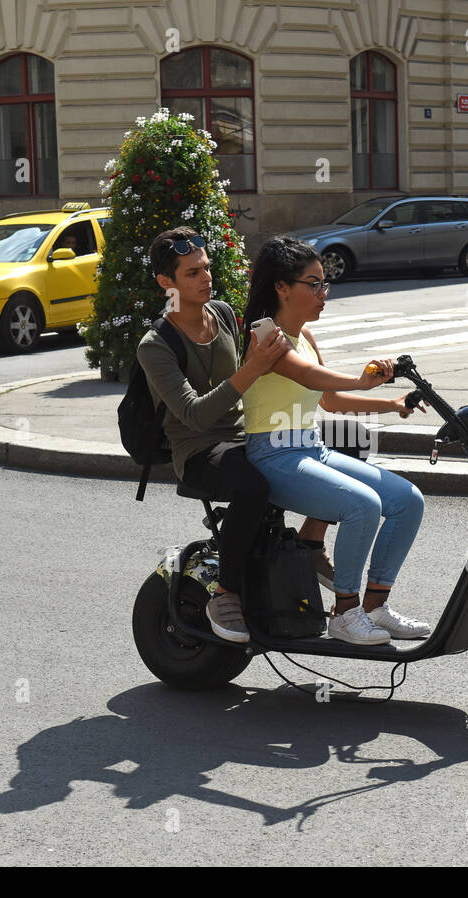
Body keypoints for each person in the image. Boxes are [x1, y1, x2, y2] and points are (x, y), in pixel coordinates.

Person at [136, 226, 323, 644]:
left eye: (206, 268)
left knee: (345, 442)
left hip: (246, 435)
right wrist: (253, 367)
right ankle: (226, 594)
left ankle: (311, 544)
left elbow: (257, 372)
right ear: (166, 283)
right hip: (199, 451)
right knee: (253, 487)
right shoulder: (156, 344)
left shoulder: (220, 312)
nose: (206, 277)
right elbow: (195, 416)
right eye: (191, 273)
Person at [242, 237, 429, 647]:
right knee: (362, 505)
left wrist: (390, 403)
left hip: (310, 448)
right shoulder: (264, 334)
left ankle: (376, 606)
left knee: (408, 500)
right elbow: (307, 377)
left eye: (324, 284)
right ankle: (345, 613)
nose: (322, 294)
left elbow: (328, 399)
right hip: (271, 453)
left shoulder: (305, 336)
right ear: (282, 287)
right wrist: (365, 377)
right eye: (313, 284)